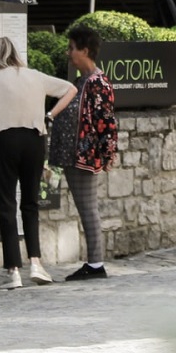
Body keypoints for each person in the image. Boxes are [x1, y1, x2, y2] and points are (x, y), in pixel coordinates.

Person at [0, 37, 77, 289]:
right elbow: (70, 89)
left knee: (6, 203)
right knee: (30, 203)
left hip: (3, 141)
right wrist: (50, 115)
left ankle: (14, 271)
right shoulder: (34, 75)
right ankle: (36, 263)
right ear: (14, 53)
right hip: (33, 139)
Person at [64, 24, 119, 281]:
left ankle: (96, 264)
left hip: (86, 158)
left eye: (72, 48)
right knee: (85, 207)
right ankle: (94, 262)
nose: (68, 53)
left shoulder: (98, 82)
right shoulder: (81, 80)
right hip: (77, 156)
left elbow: (106, 121)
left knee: (88, 208)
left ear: (85, 50)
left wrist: (106, 154)